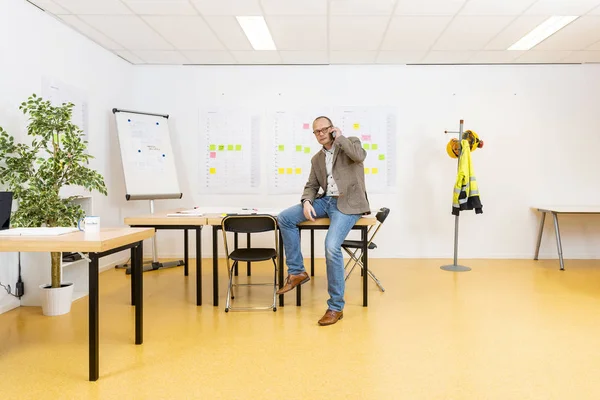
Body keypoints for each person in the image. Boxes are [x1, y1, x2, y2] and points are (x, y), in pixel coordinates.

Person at [276, 116, 370, 326]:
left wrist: (340, 138)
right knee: (285, 218)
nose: (320, 134)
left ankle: (336, 307)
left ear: (332, 129)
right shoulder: (317, 159)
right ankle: (297, 272)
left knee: (330, 246)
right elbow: (311, 185)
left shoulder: (350, 142)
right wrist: (307, 201)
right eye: (316, 131)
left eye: (324, 130)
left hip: (349, 203)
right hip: (325, 201)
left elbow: (359, 156)